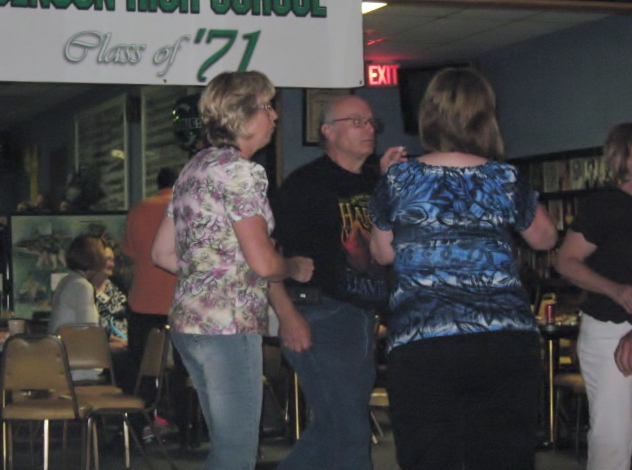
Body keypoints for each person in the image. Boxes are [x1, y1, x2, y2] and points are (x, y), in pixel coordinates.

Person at [369, 67, 558, 470]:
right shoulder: (504, 177)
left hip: (424, 341)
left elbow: (383, 253)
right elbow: (545, 238)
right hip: (502, 338)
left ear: (429, 115)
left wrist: (389, 188)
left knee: (429, 457)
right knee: (504, 457)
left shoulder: (399, 179)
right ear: (486, 117)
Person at [150, 70, 314, 470]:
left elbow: (162, 253)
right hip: (228, 327)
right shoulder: (243, 172)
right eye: (267, 106)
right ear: (242, 115)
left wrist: (213, 271)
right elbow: (264, 263)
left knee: (226, 448)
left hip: (189, 325)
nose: (275, 116)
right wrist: (295, 266)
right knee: (236, 453)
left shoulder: (193, 169)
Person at [271, 95, 405, 470]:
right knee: (348, 430)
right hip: (319, 312)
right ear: (327, 131)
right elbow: (266, 257)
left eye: (371, 122)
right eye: (357, 122)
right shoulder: (305, 185)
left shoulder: (375, 180)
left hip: (361, 317)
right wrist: (287, 315)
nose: (369, 129)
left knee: (339, 429)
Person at [556, 122, 632, 470]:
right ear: (624, 158)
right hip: (610, 329)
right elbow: (566, 261)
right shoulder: (607, 206)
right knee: (614, 441)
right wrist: (616, 290)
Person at [123, 166, 179, 369]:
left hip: (143, 302)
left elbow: (129, 253)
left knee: (143, 367)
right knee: (183, 370)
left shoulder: (139, 209)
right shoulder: (190, 209)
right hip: (180, 303)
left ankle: (146, 389)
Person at [48, 234, 107, 381]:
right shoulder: (82, 286)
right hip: (76, 366)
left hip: (58, 359)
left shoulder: (67, 280)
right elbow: (88, 330)